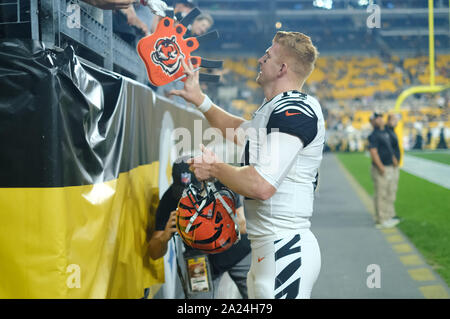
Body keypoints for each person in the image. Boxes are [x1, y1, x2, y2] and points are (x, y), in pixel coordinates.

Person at [169, 31, 324, 299]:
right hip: (267, 248)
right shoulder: (275, 108)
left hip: (284, 247)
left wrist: (215, 168)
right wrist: (201, 100)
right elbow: (235, 129)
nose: (260, 60)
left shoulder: (294, 109)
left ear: (282, 68)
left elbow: (262, 185)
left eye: (268, 56)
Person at [148, 157, 251, 299]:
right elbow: (153, 253)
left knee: (259, 294)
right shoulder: (169, 200)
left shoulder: (221, 184)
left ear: (202, 180)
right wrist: (165, 236)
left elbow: (244, 225)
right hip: (199, 259)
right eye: (183, 195)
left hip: (236, 250)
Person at [368, 112, 399, 229]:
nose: (380, 120)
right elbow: (373, 151)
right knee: (381, 194)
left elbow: (389, 148)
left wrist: (393, 159)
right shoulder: (374, 135)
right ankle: (381, 219)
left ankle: (386, 217)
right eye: (377, 118)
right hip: (381, 168)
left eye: (381, 117)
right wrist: (380, 166)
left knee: (387, 193)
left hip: (389, 166)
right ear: (374, 121)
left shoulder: (385, 132)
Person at [386, 113, 401, 224]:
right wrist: (394, 159)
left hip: (393, 165)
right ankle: (388, 215)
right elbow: (388, 148)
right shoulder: (388, 132)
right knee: (390, 190)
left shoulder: (391, 131)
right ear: (389, 120)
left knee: (392, 191)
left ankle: (391, 213)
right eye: (394, 120)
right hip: (391, 165)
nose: (396, 122)